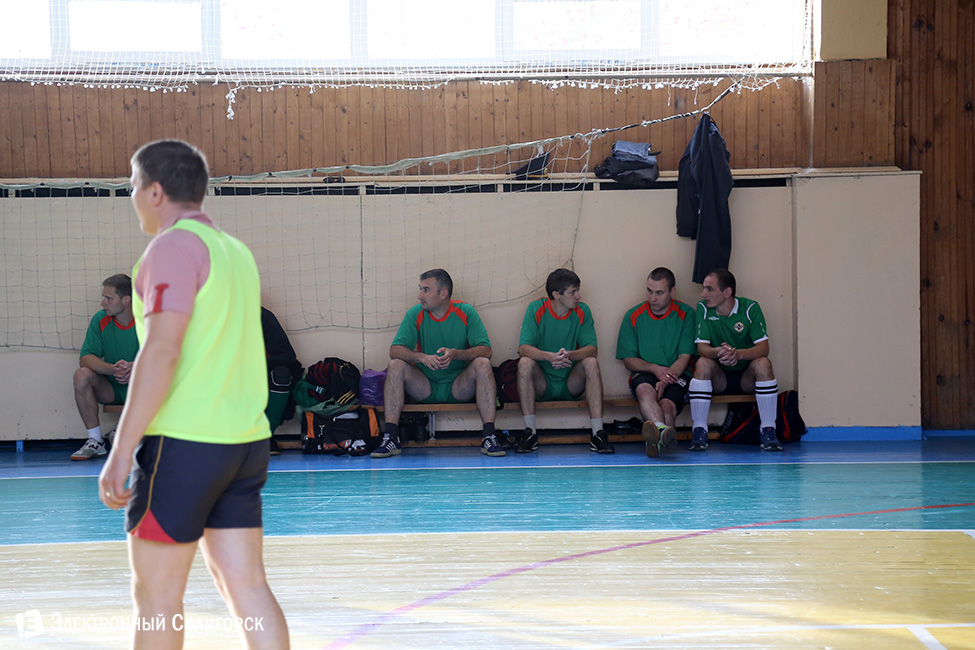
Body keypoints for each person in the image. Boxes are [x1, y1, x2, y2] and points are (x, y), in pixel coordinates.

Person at [98, 140, 290, 649]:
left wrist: (120, 450)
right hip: (244, 443)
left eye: (133, 186)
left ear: (155, 192)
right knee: (247, 587)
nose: (132, 196)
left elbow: (162, 351)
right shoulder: (236, 253)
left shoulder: (171, 248)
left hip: (184, 445)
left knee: (157, 600)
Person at [374, 268, 503, 458]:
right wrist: (421, 357)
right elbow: (395, 350)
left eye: (426, 290)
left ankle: (489, 436)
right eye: (420, 289)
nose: (420, 295)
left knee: (483, 363)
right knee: (395, 365)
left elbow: (486, 351)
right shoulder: (415, 313)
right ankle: (391, 438)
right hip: (425, 387)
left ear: (443, 293)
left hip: (459, 387)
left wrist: (455, 354)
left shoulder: (466, 312)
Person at [515, 268, 612, 454]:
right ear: (556, 295)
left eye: (578, 290)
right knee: (525, 363)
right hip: (542, 384)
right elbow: (523, 348)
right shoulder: (536, 309)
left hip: (570, 382)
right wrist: (549, 357)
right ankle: (530, 433)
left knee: (591, 362)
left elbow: (592, 350)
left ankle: (598, 433)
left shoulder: (583, 311)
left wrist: (569, 355)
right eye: (572, 292)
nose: (578, 296)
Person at [688, 268, 781, 452]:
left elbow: (764, 348)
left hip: (746, 377)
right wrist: (720, 352)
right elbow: (702, 348)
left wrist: (738, 354)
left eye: (709, 289)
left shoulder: (750, 308)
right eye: (704, 288)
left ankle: (768, 431)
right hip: (719, 378)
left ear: (727, 292)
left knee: (763, 363)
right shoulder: (703, 308)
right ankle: (699, 432)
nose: (703, 294)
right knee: (702, 363)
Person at [616, 267, 696, 457]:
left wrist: (665, 379)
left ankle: (656, 441)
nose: (653, 298)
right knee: (645, 391)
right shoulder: (633, 315)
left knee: (667, 406)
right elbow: (628, 360)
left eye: (659, 293)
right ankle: (662, 433)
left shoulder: (686, 314)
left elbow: (684, 357)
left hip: (678, 373)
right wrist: (655, 369)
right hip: (647, 371)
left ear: (672, 292)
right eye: (649, 291)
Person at [70, 274, 139, 460]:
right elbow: (86, 358)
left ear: (126, 300)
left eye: (109, 298)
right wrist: (113, 369)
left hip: (143, 388)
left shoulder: (148, 319)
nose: (103, 303)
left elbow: (165, 357)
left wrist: (135, 367)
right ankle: (95, 441)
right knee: (82, 375)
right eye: (104, 297)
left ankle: (135, 432)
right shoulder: (100, 319)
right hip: (112, 388)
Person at [261, 307, 302, 456]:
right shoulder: (209, 315)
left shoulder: (261, 316)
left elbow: (287, 357)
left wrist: (253, 364)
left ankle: (265, 435)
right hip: (223, 378)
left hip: (255, 376)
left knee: (282, 375)